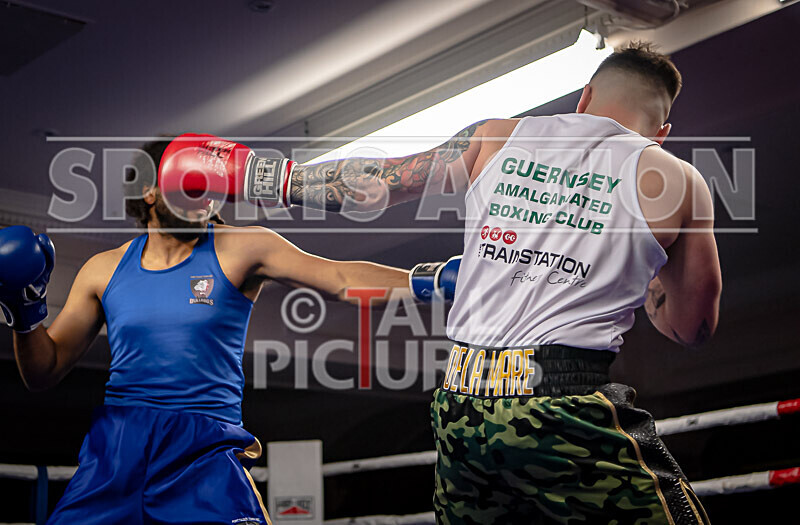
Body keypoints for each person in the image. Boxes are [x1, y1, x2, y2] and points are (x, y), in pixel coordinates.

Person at [170, 41, 721, 523]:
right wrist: (643, 276)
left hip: (462, 406)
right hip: (563, 403)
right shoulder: (678, 180)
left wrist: (256, 175)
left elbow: (374, 184)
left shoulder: (496, 137)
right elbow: (690, 327)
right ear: (662, 133)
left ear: (583, 98)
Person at [0, 136, 457, 524]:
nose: (204, 193)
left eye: (211, 183)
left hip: (202, 452)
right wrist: (25, 311)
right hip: (116, 450)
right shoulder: (104, 268)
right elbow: (43, 371)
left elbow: (337, 278)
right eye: (191, 179)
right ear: (150, 190)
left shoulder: (241, 246)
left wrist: (429, 280)